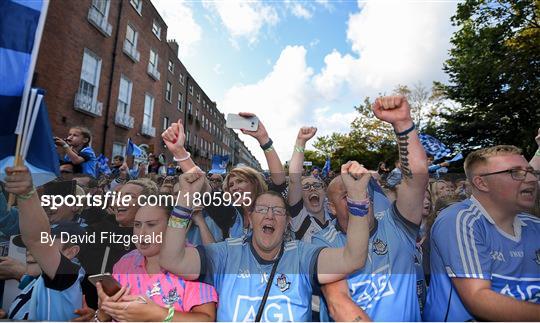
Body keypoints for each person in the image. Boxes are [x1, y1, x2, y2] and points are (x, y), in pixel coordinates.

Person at [160, 161, 372, 322]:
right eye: (261, 210)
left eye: (278, 211)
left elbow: (353, 258)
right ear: (250, 219)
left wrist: (357, 197)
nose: (269, 215)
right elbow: (172, 260)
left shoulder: (303, 256)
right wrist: (185, 201)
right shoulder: (225, 253)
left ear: (288, 222)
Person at [315, 95, 429, 321]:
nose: (361, 199)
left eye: (364, 191)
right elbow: (338, 303)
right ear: (332, 207)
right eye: (348, 195)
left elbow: (416, 180)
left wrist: (403, 125)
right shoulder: (322, 241)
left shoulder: (397, 224)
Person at [424, 145, 540, 321]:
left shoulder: (535, 226)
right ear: (482, 183)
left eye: (531, 171)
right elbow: (479, 299)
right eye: (515, 172)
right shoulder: (459, 219)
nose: (531, 179)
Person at [94, 204, 217, 321]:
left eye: (151, 225)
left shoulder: (194, 261)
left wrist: (159, 315)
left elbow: (206, 318)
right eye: (137, 225)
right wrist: (104, 313)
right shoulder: (125, 262)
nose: (142, 233)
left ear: (172, 228)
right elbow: (105, 317)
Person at [3, 166, 86, 320]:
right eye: (27, 246)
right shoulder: (36, 283)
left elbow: (35, 240)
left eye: (49, 242)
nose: (30, 250)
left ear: (71, 252)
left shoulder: (68, 277)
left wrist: (27, 193)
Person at [287, 126, 334, 242]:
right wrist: (300, 142)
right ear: (300, 195)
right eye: (306, 187)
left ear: (324, 191)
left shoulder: (337, 214)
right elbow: (294, 179)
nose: (312, 189)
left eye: (317, 185)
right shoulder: (299, 218)